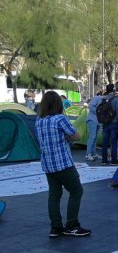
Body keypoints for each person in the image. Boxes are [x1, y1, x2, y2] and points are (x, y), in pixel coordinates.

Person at [35, 91, 91, 238]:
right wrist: (67, 137)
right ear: (58, 104)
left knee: (54, 195)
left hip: (47, 164)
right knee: (76, 191)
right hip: (63, 163)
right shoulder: (60, 119)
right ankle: (72, 225)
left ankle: (56, 227)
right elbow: (76, 135)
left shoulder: (39, 120)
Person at [101, 83, 118, 165]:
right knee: (114, 142)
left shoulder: (103, 99)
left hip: (105, 123)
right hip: (114, 123)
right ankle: (113, 159)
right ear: (114, 90)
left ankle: (104, 159)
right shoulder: (116, 99)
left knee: (105, 142)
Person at [85, 92, 102, 161]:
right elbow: (90, 105)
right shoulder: (97, 98)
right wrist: (97, 112)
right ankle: (88, 154)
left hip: (98, 121)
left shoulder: (105, 100)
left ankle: (93, 153)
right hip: (92, 119)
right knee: (92, 137)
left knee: (95, 138)